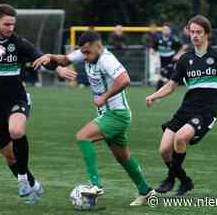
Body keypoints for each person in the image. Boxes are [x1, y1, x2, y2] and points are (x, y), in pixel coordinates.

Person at [33, 31, 155, 206]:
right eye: (83, 52)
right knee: (123, 158)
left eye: (88, 52)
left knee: (83, 136)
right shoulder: (85, 52)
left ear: (98, 46)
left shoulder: (107, 60)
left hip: (117, 114)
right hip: (107, 114)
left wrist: (104, 97)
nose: (85, 56)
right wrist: (49, 56)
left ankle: (95, 185)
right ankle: (146, 191)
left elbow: (125, 79)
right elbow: (65, 60)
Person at [0, 4, 77, 203]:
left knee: (16, 131)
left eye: (13, 24)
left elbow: (40, 57)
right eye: (6, 24)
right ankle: (33, 184)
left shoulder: (19, 44)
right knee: (10, 157)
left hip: (16, 99)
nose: (10, 28)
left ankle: (21, 179)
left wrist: (59, 70)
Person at [146, 15, 217, 196]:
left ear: (207, 34)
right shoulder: (185, 59)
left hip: (206, 111)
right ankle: (184, 180)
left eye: (199, 32)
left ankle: (170, 178)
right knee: (164, 150)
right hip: (186, 109)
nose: (195, 36)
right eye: (192, 32)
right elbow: (171, 85)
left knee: (180, 138)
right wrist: (154, 95)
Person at [153, 23, 183, 90]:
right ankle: (159, 93)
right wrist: (153, 51)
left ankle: (158, 93)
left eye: (167, 29)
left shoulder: (173, 39)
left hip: (171, 60)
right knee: (163, 78)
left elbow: (182, 47)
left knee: (163, 78)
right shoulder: (158, 39)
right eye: (164, 29)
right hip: (161, 60)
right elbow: (153, 47)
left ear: (170, 31)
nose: (165, 31)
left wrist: (178, 55)